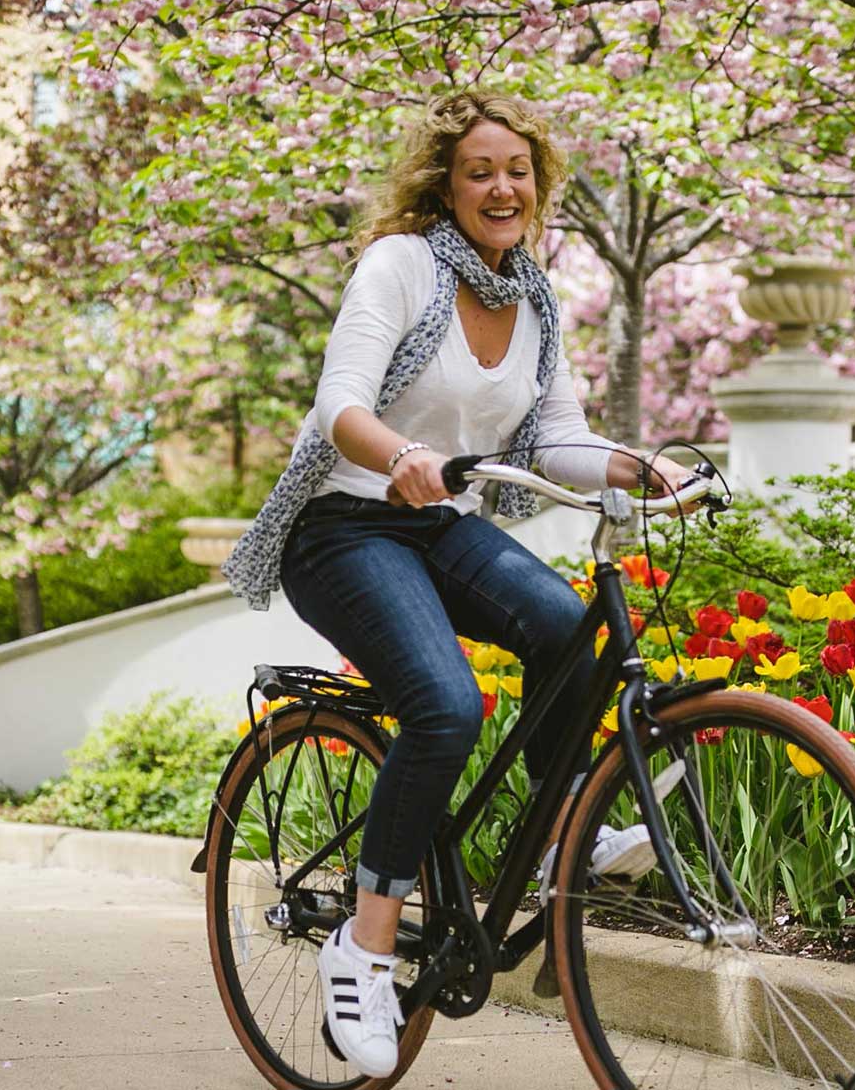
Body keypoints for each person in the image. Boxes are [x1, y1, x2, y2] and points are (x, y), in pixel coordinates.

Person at [222, 92, 695, 1077]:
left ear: (538, 184)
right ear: (446, 184)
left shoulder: (533, 297)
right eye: (479, 170)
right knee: (441, 704)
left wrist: (637, 465)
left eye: (516, 170)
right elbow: (338, 404)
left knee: (571, 633)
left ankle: (569, 819)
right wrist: (401, 455)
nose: (501, 186)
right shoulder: (399, 267)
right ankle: (364, 947)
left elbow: (557, 438)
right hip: (346, 527)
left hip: (439, 522)